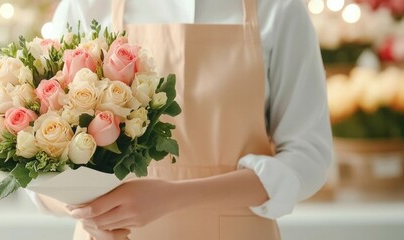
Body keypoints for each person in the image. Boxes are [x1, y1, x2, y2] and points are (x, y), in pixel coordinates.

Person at [31, 0, 334, 239]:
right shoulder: (85, 7)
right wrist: (89, 213)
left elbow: (308, 158)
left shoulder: (279, 9)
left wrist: (174, 196)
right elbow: (36, 163)